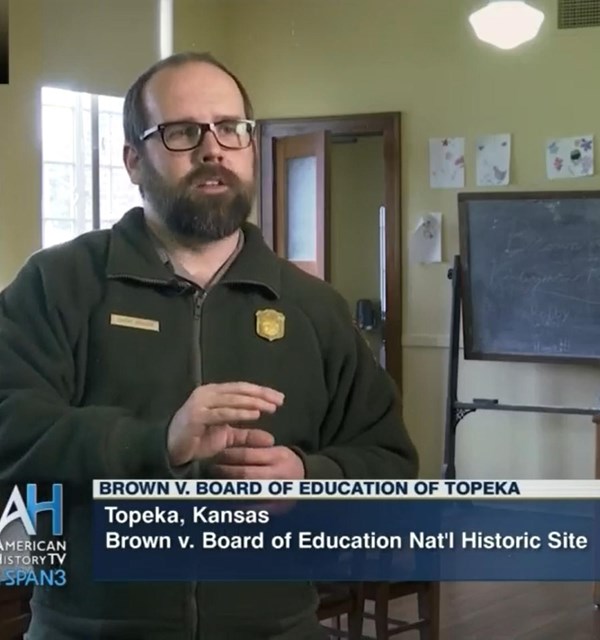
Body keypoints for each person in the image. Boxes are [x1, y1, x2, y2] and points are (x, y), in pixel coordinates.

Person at [0, 51, 419, 639]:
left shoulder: (313, 307)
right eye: (181, 132)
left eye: (231, 128)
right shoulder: (57, 286)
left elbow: (391, 467)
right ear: (133, 161)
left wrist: (308, 476)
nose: (212, 149)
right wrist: (156, 445)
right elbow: (10, 434)